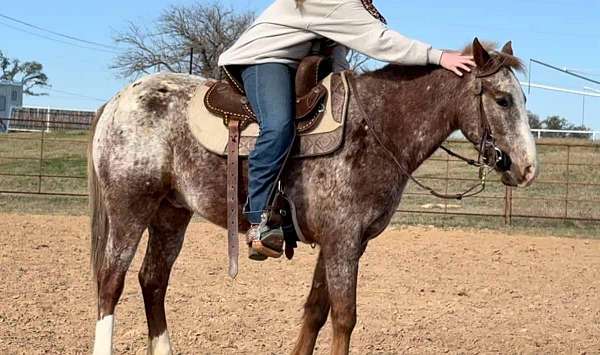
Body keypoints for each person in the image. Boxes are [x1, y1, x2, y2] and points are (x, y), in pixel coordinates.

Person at [218, 0, 475, 260]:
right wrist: (439, 56)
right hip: (264, 58)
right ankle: (258, 219)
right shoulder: (335, 1)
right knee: (278, 127)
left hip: (296, 64)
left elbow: (337, 54)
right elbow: (380, 40)